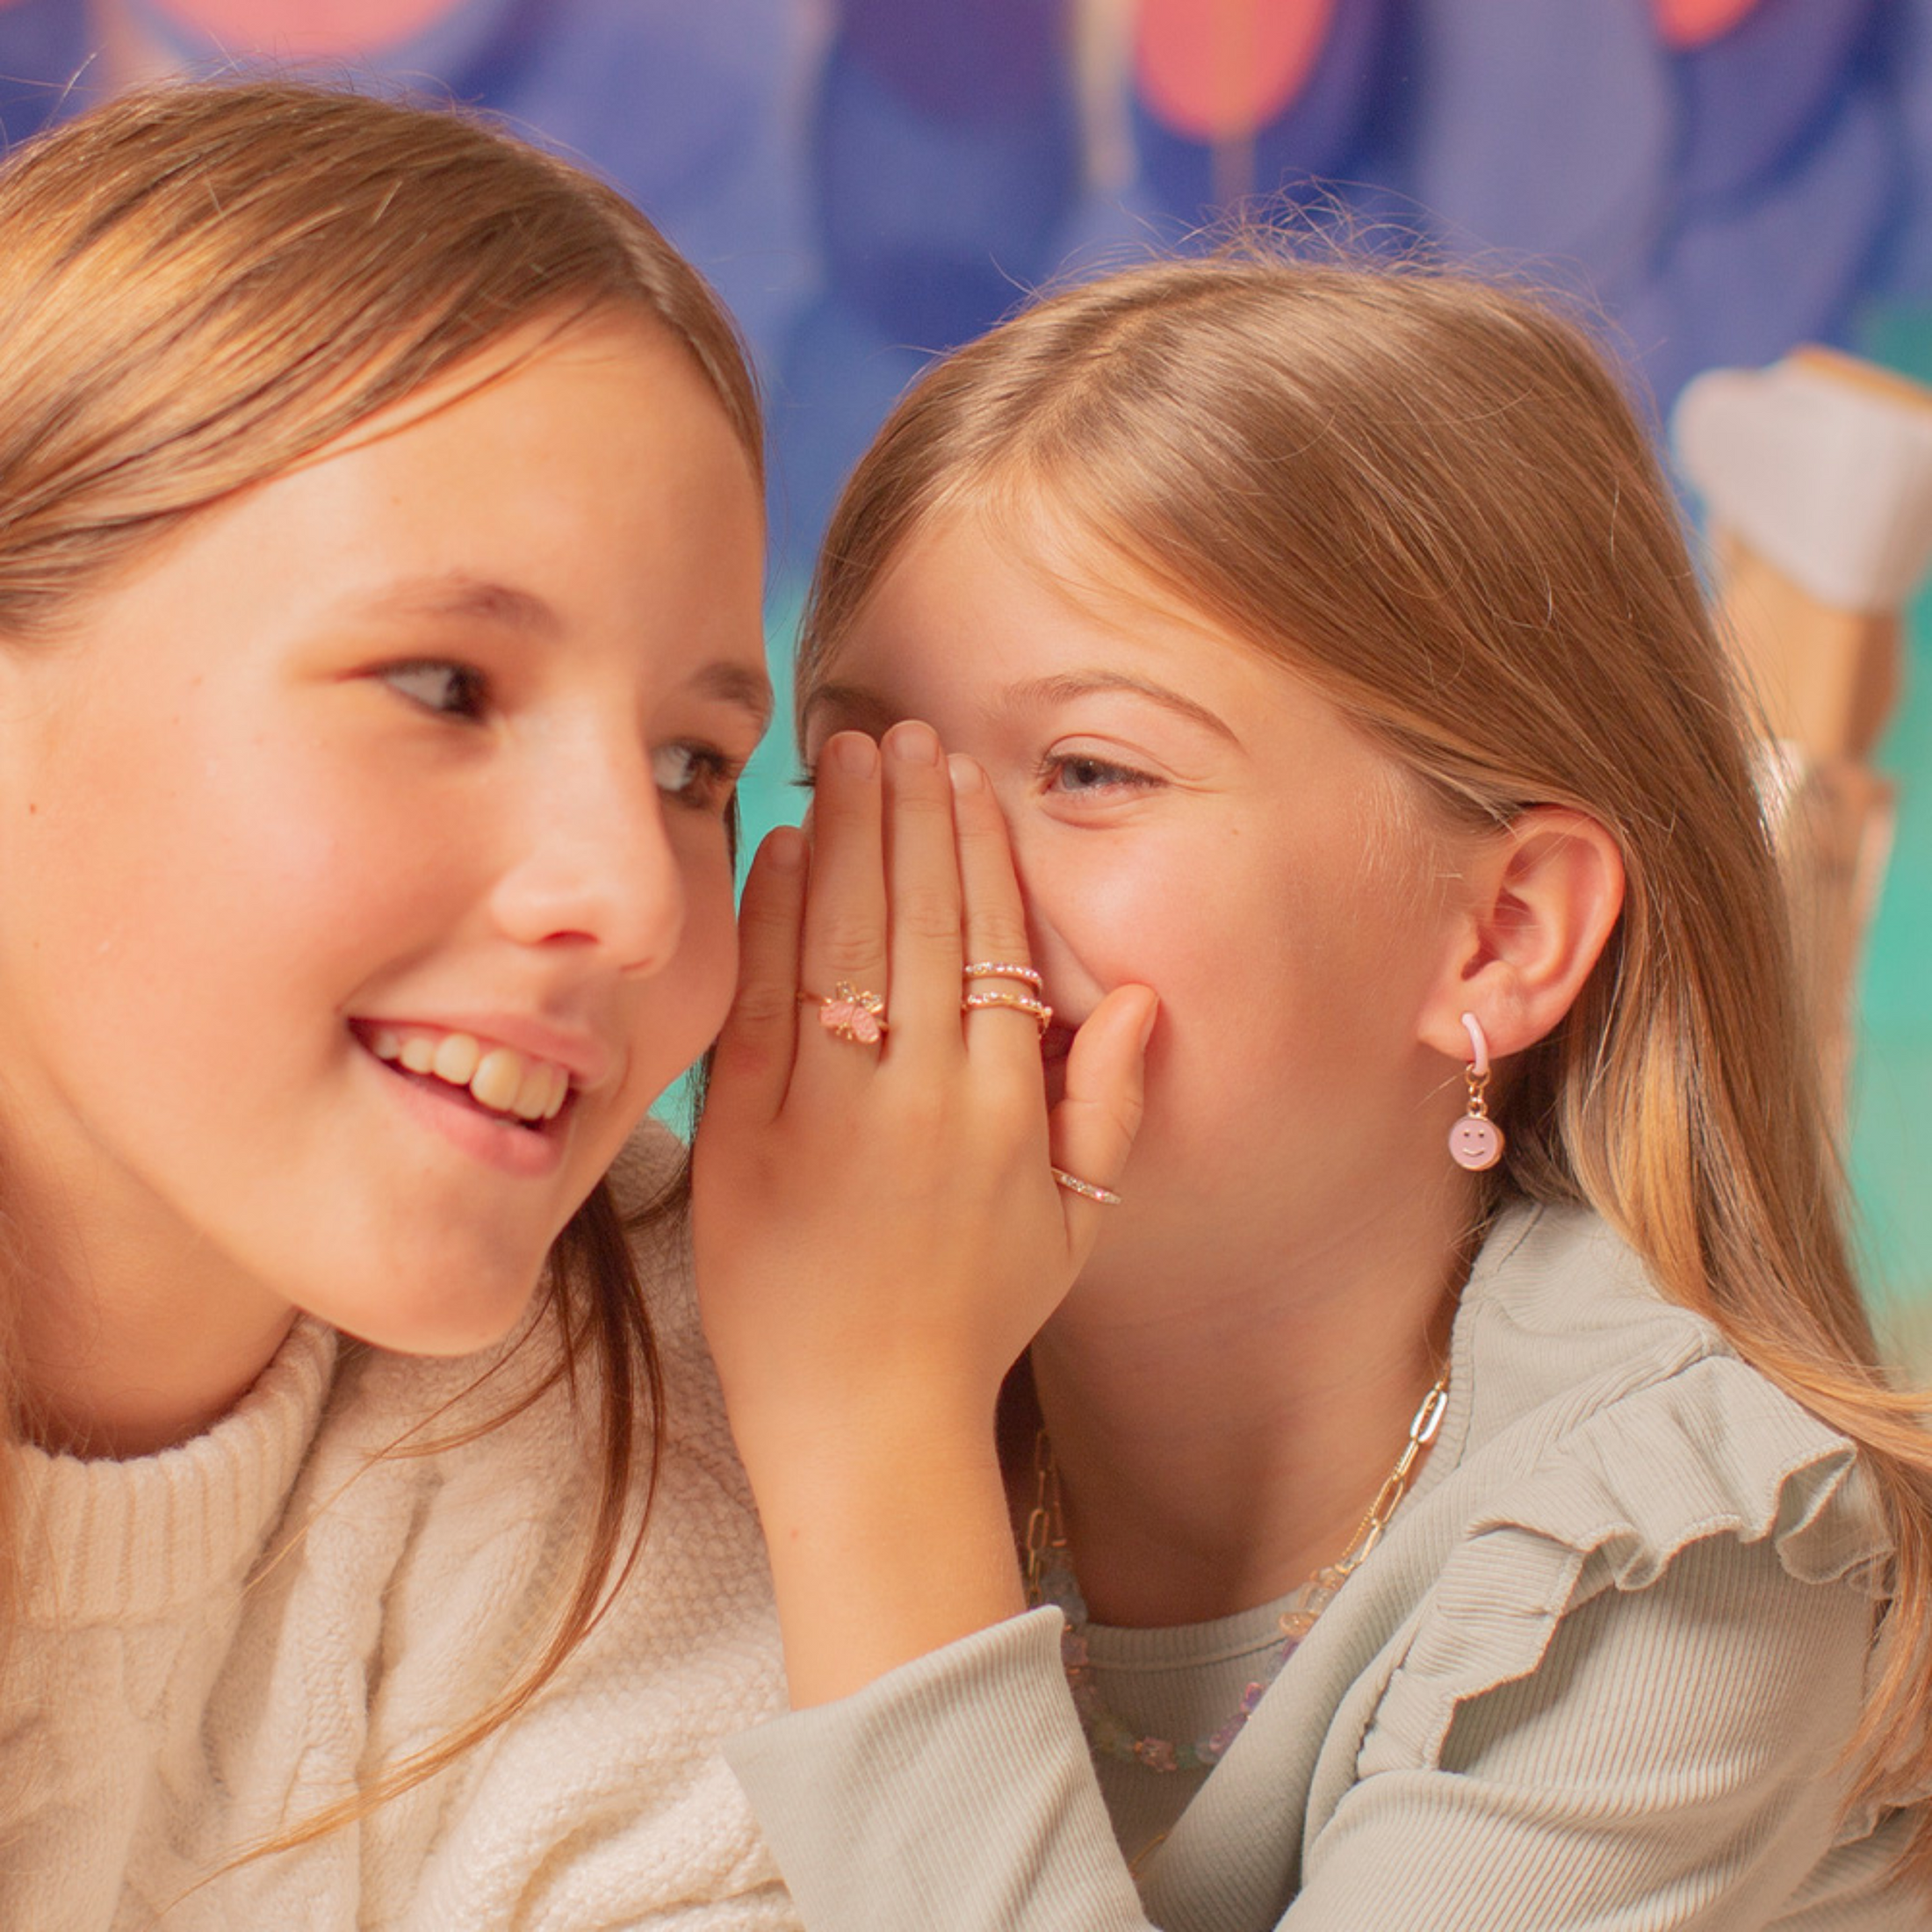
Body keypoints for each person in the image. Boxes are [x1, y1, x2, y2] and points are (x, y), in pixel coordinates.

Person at [692, 252, 1932, 1927]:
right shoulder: (758, 1321)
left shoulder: (1684, 1565)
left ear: (1496, 937)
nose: (932, 881)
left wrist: (870, 1436)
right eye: (856, 767)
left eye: (1088, 771)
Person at [0, 79, 796, 1928]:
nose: (621, 896)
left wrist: (874, 1427)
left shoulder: (647, 1411)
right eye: (442, 684)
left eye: (693, 764)